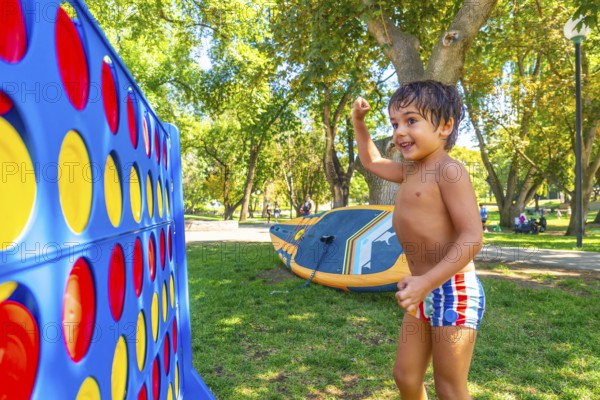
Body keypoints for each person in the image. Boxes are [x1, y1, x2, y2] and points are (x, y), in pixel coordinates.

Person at [352, 80, 485, 399]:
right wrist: (359, 124)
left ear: (445, 126)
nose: (399, 132)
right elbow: (370, 161)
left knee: (449, 387)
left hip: (453, 290)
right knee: (406, 376)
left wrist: (427, 282)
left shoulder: (449, 171)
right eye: (394, 123)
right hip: (421, 288)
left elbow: (472, 237)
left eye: (411, 120)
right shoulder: (410, 171)